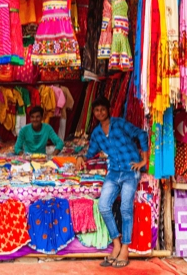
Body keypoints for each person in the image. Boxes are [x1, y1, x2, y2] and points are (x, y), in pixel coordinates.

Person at [76, 96, 148, 268]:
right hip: (114, 171)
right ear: (93, 113)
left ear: (108, 110)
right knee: (103, 206)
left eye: (102, 109)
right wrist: (80, 156)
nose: (100, 112)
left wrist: (143, 161)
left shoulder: (120, 124)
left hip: (131, 170)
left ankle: (125, 248)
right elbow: (91, 150)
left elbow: (141, 134)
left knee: (125, 207)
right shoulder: (97, 133)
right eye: (96, 110)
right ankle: (116, 243)